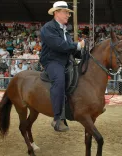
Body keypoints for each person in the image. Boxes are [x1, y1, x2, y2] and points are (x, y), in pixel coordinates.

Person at [39, 1, 85, 132]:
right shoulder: (48, 28)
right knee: (59, 81)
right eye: (66, 12)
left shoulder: (64, 29)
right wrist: (77, 45)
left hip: (65, 60)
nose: (68, 15)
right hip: (52, 61)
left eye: (68, 13)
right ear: (56, 13)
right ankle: (57, 118)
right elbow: (58, 45)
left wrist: (83, 53)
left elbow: (70, 49)